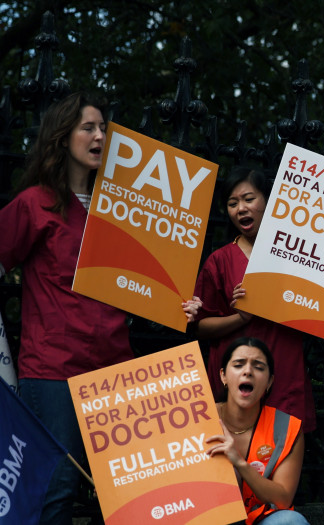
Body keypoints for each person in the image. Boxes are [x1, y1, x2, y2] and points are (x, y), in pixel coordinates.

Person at [0, 92, 136, 524]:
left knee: (129, 493)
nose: (100, 136)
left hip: (116, 367)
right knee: (56, 490)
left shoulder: (125, 210)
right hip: (54, 368)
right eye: (88, 127)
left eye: (104, 128)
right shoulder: (33, 203)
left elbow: (148, 286)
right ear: (63, 137)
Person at [193, 168, 316, 432]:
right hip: (237, 376)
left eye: (249, 199)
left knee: (280, 461)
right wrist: (240, 317)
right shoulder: (220, 261)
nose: (241, 209)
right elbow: (201, 326)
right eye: (232, 203)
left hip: (284, 367)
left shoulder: (299, 254)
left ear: (270, 202)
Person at [205, 338, 308, 525]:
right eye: (238, 365)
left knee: (290, 521)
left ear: (269, 382)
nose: (247, 371)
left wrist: (240, 463)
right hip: (210, 518)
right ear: (223, 376)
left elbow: (283, 499)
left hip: (262, 518)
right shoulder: (200, 419)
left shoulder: (287, 427)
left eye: (259, 367)